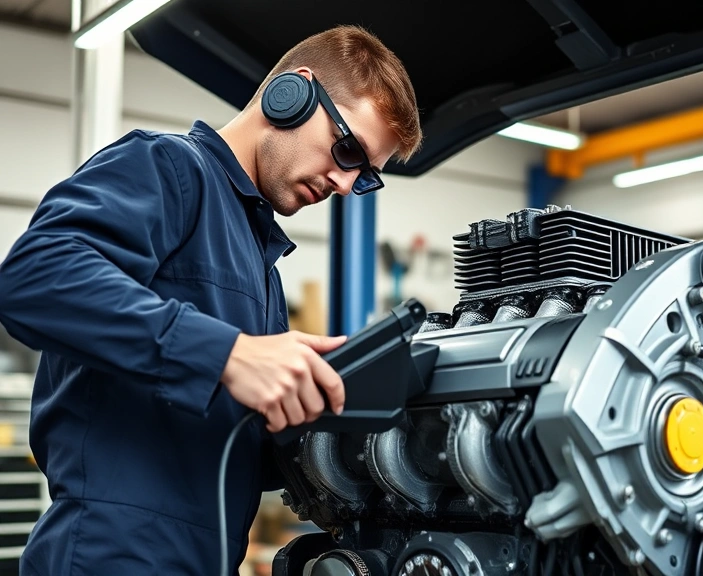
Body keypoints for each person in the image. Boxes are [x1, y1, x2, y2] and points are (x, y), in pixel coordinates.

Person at [0, 24, 422, 575]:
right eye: (348, 151)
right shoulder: (168, 169)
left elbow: (221, 445)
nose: (345, 184)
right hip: (110, 554)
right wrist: (227, 354)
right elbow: (34, 275)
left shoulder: (260, 261)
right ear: (292, 95)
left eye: (364, 177)